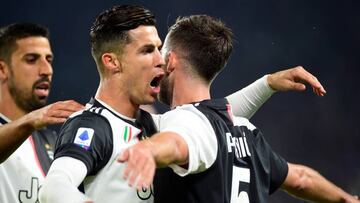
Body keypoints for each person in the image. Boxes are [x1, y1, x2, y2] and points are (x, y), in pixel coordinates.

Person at [39, 5, 327, 203]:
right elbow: (54, 188)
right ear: (112, 62)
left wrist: (267, 84)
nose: (160, 60)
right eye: (147, 51)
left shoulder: (154, 124)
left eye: (160, 49)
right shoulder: (93, 125)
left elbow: (212, 120)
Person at [118, 15, 359, 202]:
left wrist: (149, 150)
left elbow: (178, 142)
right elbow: (301, 180)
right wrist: (346, 199)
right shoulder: (247, 131)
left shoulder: (184, 123)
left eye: (161, 54)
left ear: (170, 61)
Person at [0, 23, 83, 203]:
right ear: (2, 69)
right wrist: (31, 120)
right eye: (31, 59)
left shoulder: (52, 142)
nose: (47, 70)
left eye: (49, 60)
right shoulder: (29, 125)